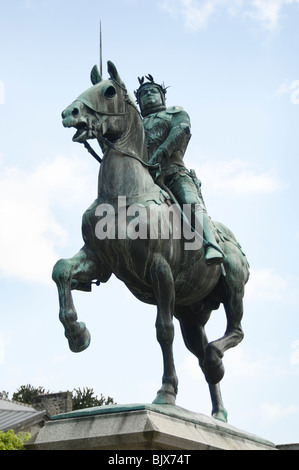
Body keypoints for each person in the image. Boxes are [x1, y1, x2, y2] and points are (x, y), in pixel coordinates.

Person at [134, 75, 224, 265]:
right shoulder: (135, 124)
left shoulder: (175, 114)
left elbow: (181, 131)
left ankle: (211, 244)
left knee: (190, 201)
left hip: (172, 172)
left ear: (162, 97)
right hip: (144, 178)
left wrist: (159, 154)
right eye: (143, 94)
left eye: (153, 92)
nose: (148, 95)